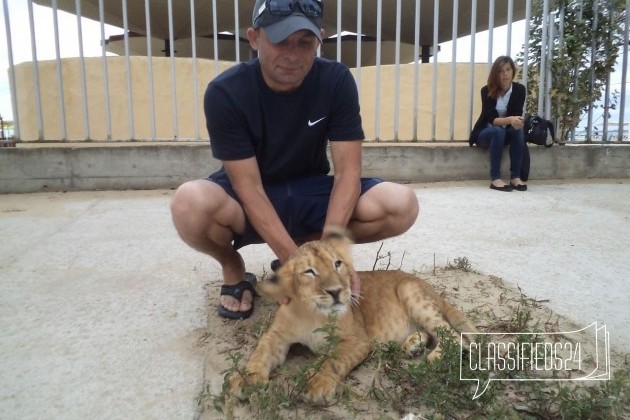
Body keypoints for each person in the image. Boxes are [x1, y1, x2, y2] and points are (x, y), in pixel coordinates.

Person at [170, 0, 419, 320]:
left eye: (305, 42)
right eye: (280, 40)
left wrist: (329, 259)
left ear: (320, 39)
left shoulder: (336, 80)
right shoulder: (226, 92)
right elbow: (249, 188)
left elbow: (348, 173)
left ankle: (304, 249)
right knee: (188, 204)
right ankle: (233, 267)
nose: (293, 54)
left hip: (308, 187)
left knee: (401, 204)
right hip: (251, 192)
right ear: (255, 38)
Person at [469, 56, 528, 192]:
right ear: (496, 73)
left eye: (508, 70)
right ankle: (495, 178)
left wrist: (518, 122)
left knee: (517, 130)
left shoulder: (519, 90)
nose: (505, 74)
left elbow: (517, 113)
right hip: (486, 133)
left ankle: (515, 177)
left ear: (513, 71)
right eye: (501, 71)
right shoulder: (486, 90)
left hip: (506, 134)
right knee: (497, 130)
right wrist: (511, 119)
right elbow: (492, 119)